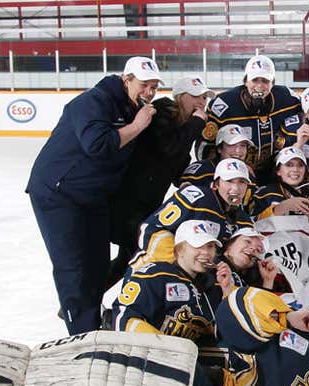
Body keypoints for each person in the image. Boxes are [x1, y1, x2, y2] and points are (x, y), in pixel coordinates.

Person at [27, 56, 161, 334]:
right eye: (144, 85)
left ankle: (86, 319)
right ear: (126, 80)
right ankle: (82, 334)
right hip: (58, 193)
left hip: (93, 195)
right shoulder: (92, 101)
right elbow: (98, 145)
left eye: (154, 87)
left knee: (98, 267)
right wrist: (138, 125)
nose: (149, 92)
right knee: (73, 268)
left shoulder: (132, 106)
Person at [105, 76, 213, 291]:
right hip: (127, 202)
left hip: (147, 204)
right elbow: (169, 148)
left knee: (129, 257)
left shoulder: (184, 126)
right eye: (196, 97)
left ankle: (88, 300)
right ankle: (104, 304)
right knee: (142, 254)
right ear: (181, 97)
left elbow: (178, 167)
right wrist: (197, 123)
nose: (201, 102)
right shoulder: (160, 112)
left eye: (203, 98)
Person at [131, 158, 254, 270]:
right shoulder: (196, 198)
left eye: (242, 182)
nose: (236, 188)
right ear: (216, 184)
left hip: (188, 281)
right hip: (150, 270)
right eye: (229, 181)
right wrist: (181, 263)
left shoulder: (240, 218)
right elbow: (150, 230)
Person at [196, 55, 302, 179]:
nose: (259, 85)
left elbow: (308, 113)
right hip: (237, 175)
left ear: (272, 83)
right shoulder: (224, 105)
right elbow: (203, 148)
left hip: (274, 173)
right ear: (246, 81)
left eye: (265, 81)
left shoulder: (287, 98)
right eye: (255, 80)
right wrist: (233, 167)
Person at [251, 146, 309, 224]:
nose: (295, 169)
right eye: (289, 165)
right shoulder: (265, 193)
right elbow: (253, 223)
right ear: (278, 171)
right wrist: (282, 207)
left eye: (300, 165)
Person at [179, 123, 254, 187]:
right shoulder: (200, 172)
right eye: (231, 145)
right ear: (219, 149)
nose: (238, 151)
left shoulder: (248, 174)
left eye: (242, 145)